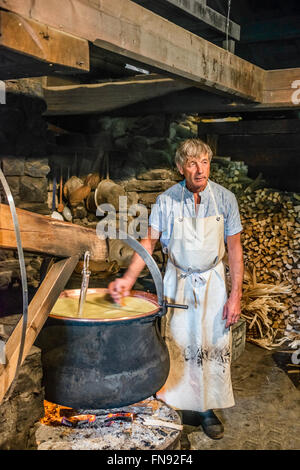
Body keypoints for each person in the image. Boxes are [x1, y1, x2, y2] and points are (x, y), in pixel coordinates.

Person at [109, 138, 244, 439]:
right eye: (192, 163)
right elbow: (149, 242)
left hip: (213, 285)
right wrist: (128, 279)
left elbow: (234, 249)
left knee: (210, 346)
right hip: (178, 282)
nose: (200, 170)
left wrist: (235, 296)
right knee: (179, 344)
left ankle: (207, 409)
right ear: (181, 167)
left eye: (205, 162)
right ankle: (175, 408)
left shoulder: (225, 199)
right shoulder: (166, 201)